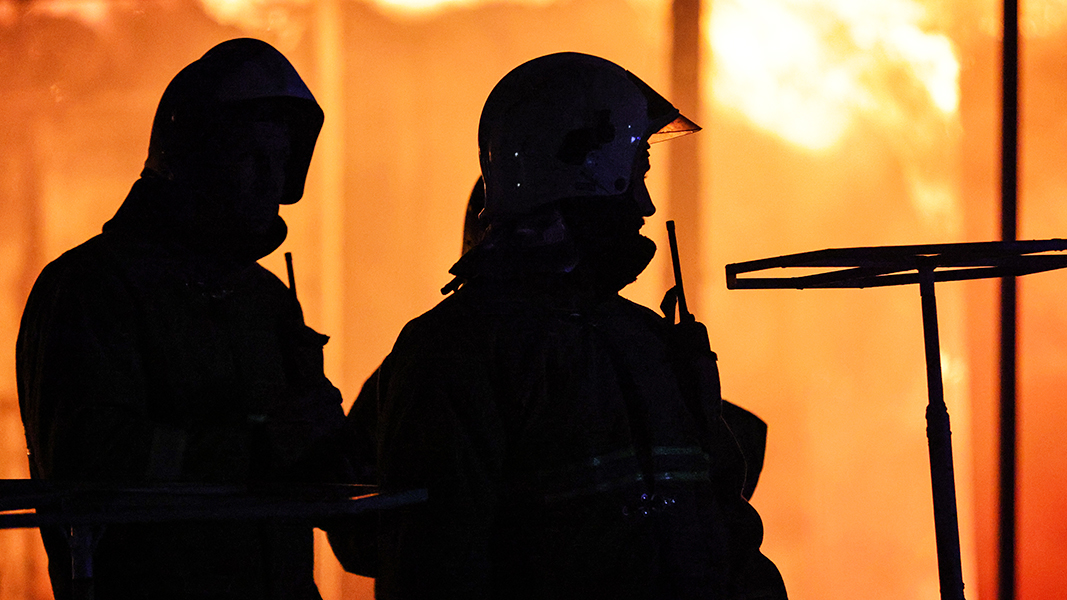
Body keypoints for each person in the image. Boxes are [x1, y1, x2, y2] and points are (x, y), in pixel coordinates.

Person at [369, 52, 787, 599]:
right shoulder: (457, 351)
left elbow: (721, 526)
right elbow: (437, 569)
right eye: (637, 174)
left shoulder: (649, 341)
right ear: (585, 170)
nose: (645, 204)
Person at [16, 38, 348, 600]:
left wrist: (334, 443)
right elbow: (89, 455)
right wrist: (254, 448)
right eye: (251, 158)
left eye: (280, 162)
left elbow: (304, 457)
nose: (270, 181)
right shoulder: (91, 289)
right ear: (196, 158)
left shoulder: (264, 300)